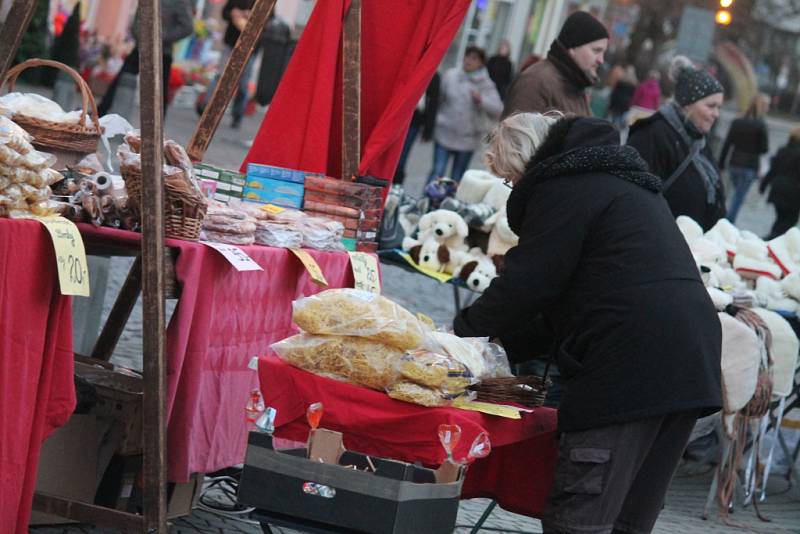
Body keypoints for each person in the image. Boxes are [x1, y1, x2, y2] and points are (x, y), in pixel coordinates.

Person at [454, 112, 722, 534]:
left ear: (525, 165)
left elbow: (528, 284)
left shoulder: (562, 188)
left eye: (509, 179)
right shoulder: (609, 180)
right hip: (689, 359)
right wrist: (499, 347)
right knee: (626, 521)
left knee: (581, 516)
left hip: (631, 363)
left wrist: (457, 336)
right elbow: (563, 300)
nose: (512, 189)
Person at [627, 56, 726, 231]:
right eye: (711, 106)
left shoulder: (699, 141)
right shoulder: (653, 134)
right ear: (688, 104)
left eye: (719, 107)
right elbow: (635, 200)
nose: (716, 114)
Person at [502, 11, 608, 117]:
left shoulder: (576, 86)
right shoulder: (536, 81)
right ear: (574, 47)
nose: (601, 60)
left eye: (603, 53)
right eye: (596, 50)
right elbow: (517, 131)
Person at [97, 0, 194, 117]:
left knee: (159, 91)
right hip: (141, 48)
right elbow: (138, 18)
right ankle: (100, 112)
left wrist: (161, 37)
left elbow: (187, 27)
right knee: (122, 78)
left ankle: (157, 125)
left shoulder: (179, 2)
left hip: (162, 52)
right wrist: (140, 35)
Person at [427, 46, 501, 184]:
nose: (469, 61)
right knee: (437, 171)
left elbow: (498, 109)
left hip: (468, 139)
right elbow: (439, 100)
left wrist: (481, 100)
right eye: (467, 56)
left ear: (481, 63)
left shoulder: (486, 84)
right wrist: (434, 122)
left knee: (457, 177)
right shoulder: (451, 75)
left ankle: (449, 204)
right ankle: (426, 202)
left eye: (474, 58)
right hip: (444, 132)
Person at [196, 0, 258, 128]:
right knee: (220, 76)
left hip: (251, 47)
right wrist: (233, 13)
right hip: (231, 42)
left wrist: (251, 15)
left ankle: (237, 115)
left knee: (243, 83)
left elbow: (269, 22)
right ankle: (206, 107)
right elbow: (225, 12)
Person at [719, 93, 770, 223]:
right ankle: (728, 221)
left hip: (734, 163)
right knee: (738, 197)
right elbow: (764, 149)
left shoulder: (737, 122)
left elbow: (727, 143)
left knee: (733, 195)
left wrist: (721, 163)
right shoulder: (761, 125)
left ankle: (725, 218)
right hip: (749, 166)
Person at [394, 72, 440, 185]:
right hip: (399, 115)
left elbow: (433, 103)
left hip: (415, 120)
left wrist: (428, 129)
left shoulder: (434, 76)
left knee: (402, 156)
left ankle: (396, 183)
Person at [760, 127, 800, 239]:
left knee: (781, 219)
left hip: (777, 189)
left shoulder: (783, 150)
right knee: (788, 222)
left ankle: (771, 240)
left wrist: (763, 186)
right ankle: (770, 241)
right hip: (792, 193)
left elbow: (773, 170)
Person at [606, 66, 637, 131]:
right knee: (620, 119)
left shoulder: (621, 81)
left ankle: (613, 131)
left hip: (617, 102)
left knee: (614, 118)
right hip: (625, 104)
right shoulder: (634, 84)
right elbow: (633, 96)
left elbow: (615, 92)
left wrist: (611, 102)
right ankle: (616, 131)